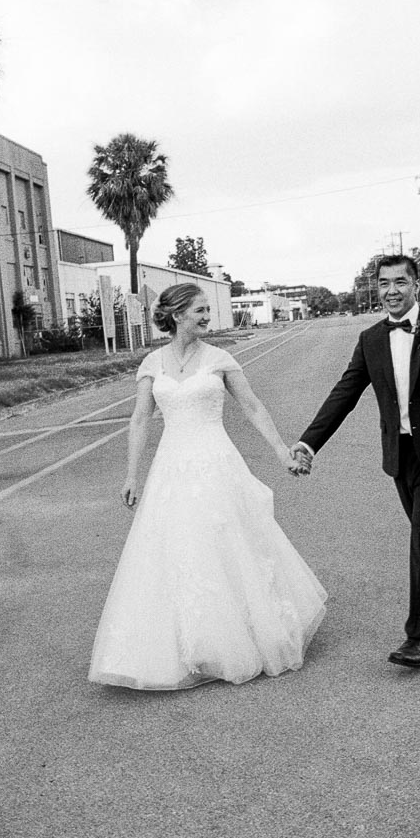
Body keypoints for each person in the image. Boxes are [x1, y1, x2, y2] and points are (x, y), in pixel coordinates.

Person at [89, 283, 326, 690]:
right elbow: (140, 420)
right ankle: (192, 646)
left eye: (206, 310)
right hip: (172, 467)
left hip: (218, 461)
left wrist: (281, 451)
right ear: (177, 314)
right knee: (181, 548)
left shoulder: (220, 358)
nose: (206, 317)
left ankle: (248, 636)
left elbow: (252, 406)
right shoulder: (151, 364)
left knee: (228, 541)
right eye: (199, 310)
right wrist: (132, 474)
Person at [294, 255, 420, 669]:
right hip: (400, 455)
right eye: (384, 283)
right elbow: (344, 393)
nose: (391, 291)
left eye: (400, 282)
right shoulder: (370, 339)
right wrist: (310, 443)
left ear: (417, 285)